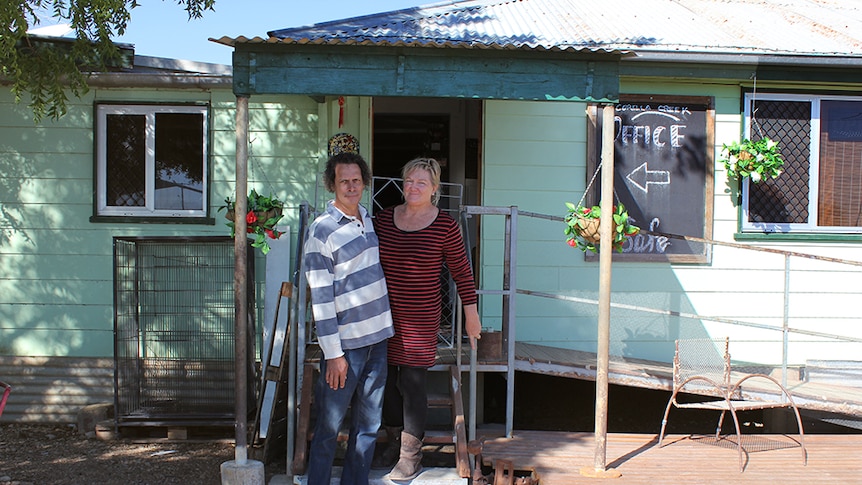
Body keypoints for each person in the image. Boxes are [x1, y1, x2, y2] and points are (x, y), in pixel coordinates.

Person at [373, 157, 482, 481]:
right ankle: (394, 441)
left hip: (420, 318)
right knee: (384, 383)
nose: (413, 187)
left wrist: (471, 315)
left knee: (412, 382)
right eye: (409, 181)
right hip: (382, 317)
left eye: (422, 182)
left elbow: (463, 272)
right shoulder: (383, 219)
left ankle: (411, 454)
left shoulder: (445, 225)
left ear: (434, 189)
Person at [304, 151, 394, 485]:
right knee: (329, 427)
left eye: (357, 180)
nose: (351, 186)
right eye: (344, 181)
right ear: (333, 184)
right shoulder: (322, 230)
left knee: (368, 427)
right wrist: (333, 355)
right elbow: (321, 298)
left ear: (364, 182)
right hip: (346, 349)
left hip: (378, 341)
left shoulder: (367, 219)